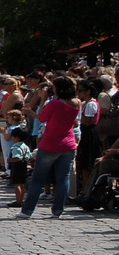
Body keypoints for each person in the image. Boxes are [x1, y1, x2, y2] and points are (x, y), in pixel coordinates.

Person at [20, 76, 79, 219]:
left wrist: (30, 111)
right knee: (63, 178)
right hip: (68, 143)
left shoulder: (54, 104)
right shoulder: (77, 102)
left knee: (37, 179)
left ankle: (27, 210)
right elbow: (74, 121)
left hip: (50, 143)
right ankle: (58, 209)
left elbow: (42, 118)